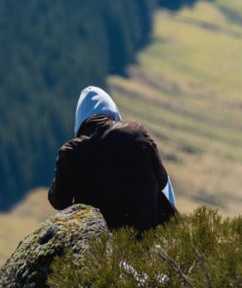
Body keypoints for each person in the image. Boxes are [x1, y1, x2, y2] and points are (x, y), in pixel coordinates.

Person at [47, 85, 177, 232]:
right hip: (149, 237)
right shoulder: (137, 133)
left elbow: (59, 201)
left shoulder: (71, 152)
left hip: (101, 245)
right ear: (112, 111)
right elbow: (163, 181)